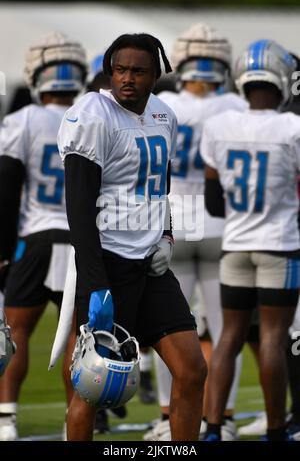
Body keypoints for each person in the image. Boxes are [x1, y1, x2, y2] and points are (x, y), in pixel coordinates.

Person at [57, 32, 207, 441]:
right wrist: (95, 282)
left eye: (138, 71)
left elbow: (162, 181)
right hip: (108, 263)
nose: (127, 79)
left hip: (151, 266)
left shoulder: (163, 114)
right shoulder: (92, 113)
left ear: (156, 74)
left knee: (193, 370)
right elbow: (79, 208)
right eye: (120, 70)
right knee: (94, 386)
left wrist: (167, 235)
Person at [146, 22, 247, 441]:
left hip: (172, 223)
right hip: (224, 225)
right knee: (226, 332)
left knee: (166, 328)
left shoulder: (162, 103)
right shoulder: (237, 108)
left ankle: (168, 415)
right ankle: (219, 417)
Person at [201, 38, 300, 441]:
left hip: (235, 244)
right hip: (280, 244)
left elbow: (212, 200)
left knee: (228, 337)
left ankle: (212, 426)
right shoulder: (293, 127)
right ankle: (276, 428)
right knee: (274, 340)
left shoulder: (219, 125)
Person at [0, 31, 87, 441]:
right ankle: (78, 416)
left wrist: (3, 249)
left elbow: (6, 189)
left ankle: (6, 418)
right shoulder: (94, 115)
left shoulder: (22, 121)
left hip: (35, 237)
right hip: (81, 239)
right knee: (77, 335)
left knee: (15, 331)